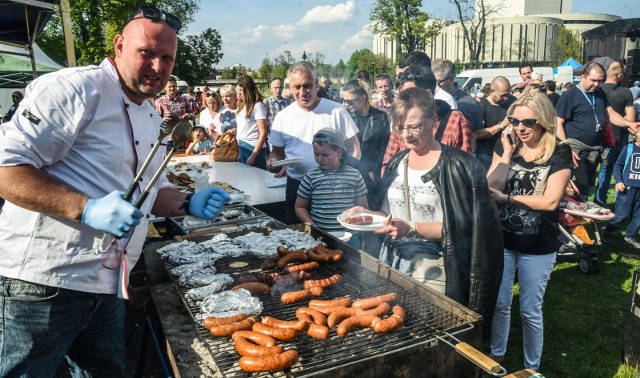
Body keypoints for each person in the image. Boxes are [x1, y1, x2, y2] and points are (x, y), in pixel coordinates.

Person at [0, 7, 229, 377]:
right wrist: (85, 208)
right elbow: (5, 170)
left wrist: (189, 202)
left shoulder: (150, 114)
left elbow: (150, 194)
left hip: (109, 283)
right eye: (147, 53)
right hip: (45, 283)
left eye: (167, 58)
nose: (157, 66)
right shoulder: (74, 88)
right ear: (119, 45)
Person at [347, 87, 503, 327]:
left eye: (414, 126)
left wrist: (410, 227)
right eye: (400, 128)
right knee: (395, 327)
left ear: (434, 121)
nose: (406, 135)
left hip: (438, 268)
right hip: (393, 261)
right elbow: (390, 217)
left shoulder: (460, 166)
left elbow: (469, 229)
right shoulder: (397, 162)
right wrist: (365, 214)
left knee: (431, 330)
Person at [486, 93, 573, 372]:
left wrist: (508, 199)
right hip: (505, 240)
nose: (520, 128)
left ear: (543, 122)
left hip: (538, 245)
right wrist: (508, 153)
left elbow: (550, 201)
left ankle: (531, 367)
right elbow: (492, 187)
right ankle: (497, 355)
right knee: (500, 304)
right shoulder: (509, 148)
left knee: (530, 310)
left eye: (528, 122)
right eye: (514, 121)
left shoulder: (559, 151)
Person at [268, 61, 360, 224]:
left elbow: (354, 148)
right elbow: (276, 152)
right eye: (297, 87)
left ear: (316, 84)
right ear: (290, 87)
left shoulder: (336, 110)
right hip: (297, 186)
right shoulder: (283, 116)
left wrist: (348, 178)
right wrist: (274, 160)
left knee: (334, 239)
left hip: (333, 189)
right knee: (297, 240)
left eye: (307, 85)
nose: (302, 92)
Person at [556, 62, 640, 200]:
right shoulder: (570, 95)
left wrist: (629, 123)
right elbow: (558, 123)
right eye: (593, 80)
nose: (596, 84)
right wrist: (566, 148)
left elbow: (610, 114)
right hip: (576, 150)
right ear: (583, 76)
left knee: (587, 187)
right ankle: (573, 219)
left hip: (594, 150)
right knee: (577, 189)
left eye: (600, 81)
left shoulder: (599, 93)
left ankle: (583, 216)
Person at [381, 65, 472, 174]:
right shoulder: (401, 120)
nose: (406, 134)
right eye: (403, 95)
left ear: (428, 93)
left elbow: (465, 167)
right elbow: (388, 164)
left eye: (410, 94)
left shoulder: (455, 119)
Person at [295, 128, 368, 248]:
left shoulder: (354, 175)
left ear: (339, 153)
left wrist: (362, 234)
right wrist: (312, 226)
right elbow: (300, 206)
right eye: (316, 154)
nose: (319, 159)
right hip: (321, 236)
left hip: (350, 237)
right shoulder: (311, 176)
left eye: (325, 155)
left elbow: (363, 208)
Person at [594, 62, 637, 207]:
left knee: (595, 173)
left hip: (594, 138)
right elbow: (630, 119)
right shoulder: (625, 92)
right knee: (610, 171)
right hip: (616, 138)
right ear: (620, 75)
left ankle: (596, 204)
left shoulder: (595, 90)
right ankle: (612, 204)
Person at [341, 79, 390, 203]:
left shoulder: (380, 117)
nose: (345, 104)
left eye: (349, 101)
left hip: (374, 174)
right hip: (352, 172)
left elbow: (385, 148)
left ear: (362, 98)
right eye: (344, 100)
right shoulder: (346, 117)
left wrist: (374, 171)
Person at [602, 132, 640, 249]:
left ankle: (630, 236)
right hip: (627, 188)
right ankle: (607, 230)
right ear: (636, 137)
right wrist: (618, 181)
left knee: (638, 215)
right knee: (622, 214)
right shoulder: (628, 148)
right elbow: (617, 165)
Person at [431, 59, 484, 135]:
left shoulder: (469, 104)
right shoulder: (428, 96)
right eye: (432, 82)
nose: (435, 86)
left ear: (451, 79)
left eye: (438, 82)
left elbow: (475, 133)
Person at [475, 76, 517, 170]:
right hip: (486, 155)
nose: (506, 98)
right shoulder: (481, 106)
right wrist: (502, 125)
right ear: (492, 91)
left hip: (510, 153)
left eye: (508, 94)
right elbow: (477, 134)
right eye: (502, 95)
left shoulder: (512, 101)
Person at [235, 76, 269, 169]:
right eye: (237, 91)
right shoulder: (242, 106)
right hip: (242, 146)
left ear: (248, 90)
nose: (239, 94)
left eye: (241, 90)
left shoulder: (258, 106)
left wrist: (254, 155)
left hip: (253, 148)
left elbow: (263, 133)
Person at [156, 76, 195, 149]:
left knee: (181, 158)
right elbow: (156, 121)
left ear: (176, 86)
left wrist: (188, 115)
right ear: (165, 87)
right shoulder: (159, 101)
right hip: (167, 138)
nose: (172, 88)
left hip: (181, 137)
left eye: (173, 86)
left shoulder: (184, 99)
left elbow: (193, 115)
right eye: (169, 86)